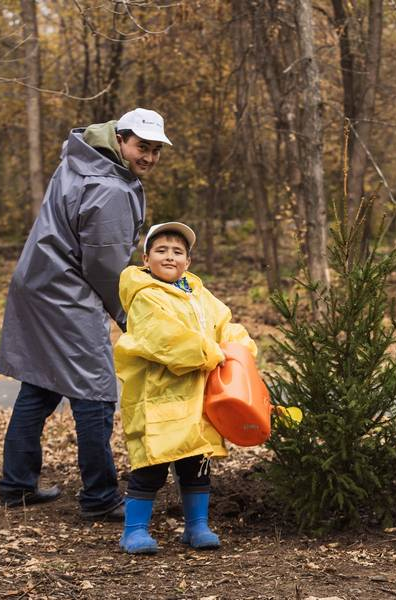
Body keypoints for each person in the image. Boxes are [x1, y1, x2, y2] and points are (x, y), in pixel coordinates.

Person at [0, 108, 172, 520]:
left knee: (40, 385)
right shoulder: (109, 187)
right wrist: (126, 313)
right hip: (65, 291)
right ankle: (100, 497)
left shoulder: (80, 159)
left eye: (156, 150)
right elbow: (104, 268)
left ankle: (16, 485)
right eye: (142, 147)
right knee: (95, 392)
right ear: (122, 140)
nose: (148, 157)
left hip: (38, 282)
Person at [114, 222, 256, 554]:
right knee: (151, 465)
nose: (169, 256)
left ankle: (197, 526)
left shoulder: (198, 294)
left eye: (178, 252)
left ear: (188, 262)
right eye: (161, 250)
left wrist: (239, 349)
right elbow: (164, 338)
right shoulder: (145, 296)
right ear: (146, 259)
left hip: (196, 398)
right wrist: (211, 353)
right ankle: (133, 531)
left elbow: (225, 325)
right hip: (158, 397)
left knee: (196, 464)